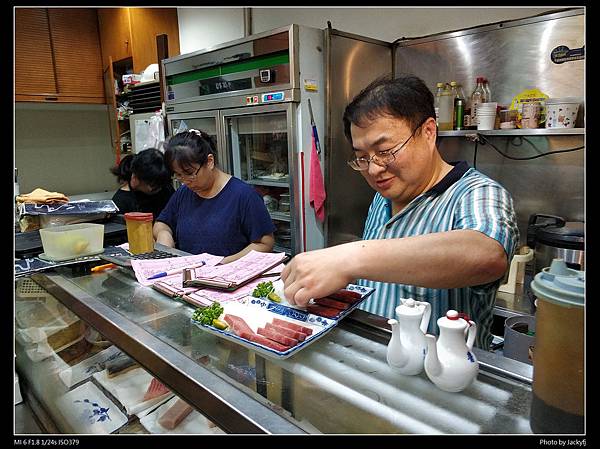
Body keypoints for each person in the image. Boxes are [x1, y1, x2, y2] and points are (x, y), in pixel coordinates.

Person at [281, 75, 519, 349]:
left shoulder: (478, 193)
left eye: (385, 150)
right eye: (362, 157)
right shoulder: (383, 197)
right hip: (376, 363)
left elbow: (486, 254)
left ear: (429, 132)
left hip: (440, 379)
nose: (373, 169)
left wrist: (349, 257)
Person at [154, 129, 275, 263]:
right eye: (178, 175)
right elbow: (162, 223)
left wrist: (224, 263)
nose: (185, 181)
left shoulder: (244, 196)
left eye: (189, 173)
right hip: (190, 275)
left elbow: (265, 244)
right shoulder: (184, 192)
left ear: (210, 161)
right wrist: (163, 235)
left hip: (229, 276)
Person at [110, 148, 175, 219]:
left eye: (158, 186)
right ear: (134, 177)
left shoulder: (166, 189)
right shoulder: (121, 201)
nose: (154, 189)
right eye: (153, 185)